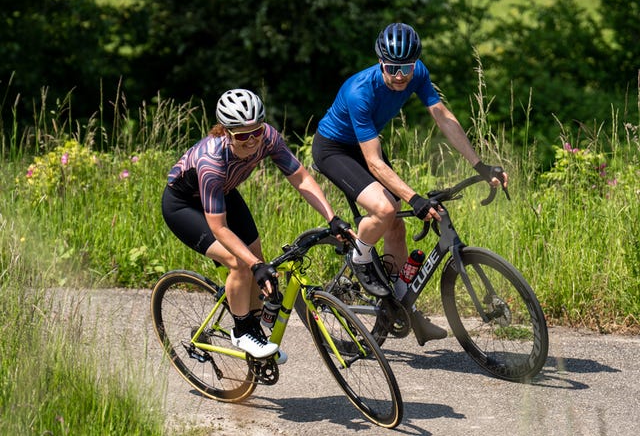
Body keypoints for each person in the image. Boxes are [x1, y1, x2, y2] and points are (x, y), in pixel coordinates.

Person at [312, 22, 508, 342]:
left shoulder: (417, 73)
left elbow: (442, 116)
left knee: (396, 227)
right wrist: (415, 198)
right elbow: (374, 162)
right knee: (386, 208)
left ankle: (399, 306)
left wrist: (480, 164)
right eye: (393, 67)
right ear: (380, 62)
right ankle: (360, 258)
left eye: (407, 66)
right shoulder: (360, 91)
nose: (401, 74)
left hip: (367, 145)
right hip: (334, 148)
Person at [162, 88, 352, 360]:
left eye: (257, 132)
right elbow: (219, 228)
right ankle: (241, 331)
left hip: (223, 193)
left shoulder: (268, 138)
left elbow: (300, 178)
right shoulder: (212, 161)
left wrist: (332, 217)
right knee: (240, 262)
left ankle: (254, 331)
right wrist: (253, 265)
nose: (252, 141)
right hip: (183, 205)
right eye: (242, 135)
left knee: (258, 258)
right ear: (226, 132)